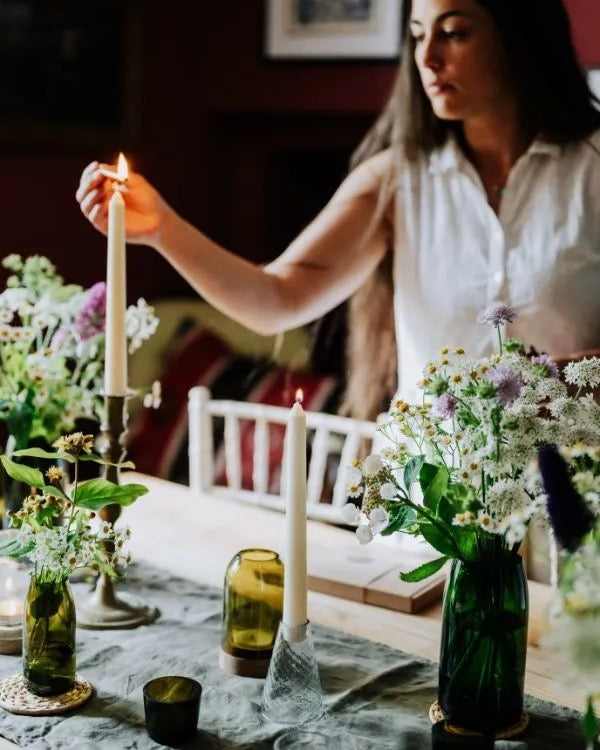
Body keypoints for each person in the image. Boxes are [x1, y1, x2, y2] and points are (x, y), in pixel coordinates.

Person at [76, 0, 600, 422]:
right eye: (418, 35)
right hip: (434, 515)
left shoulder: (592, 168)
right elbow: (275, 299)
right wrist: (164, 228)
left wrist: (570, 379)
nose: (428, 57)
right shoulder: (394, 180)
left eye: (455, 33)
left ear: (521, 38)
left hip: (572, 505)